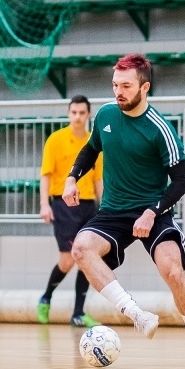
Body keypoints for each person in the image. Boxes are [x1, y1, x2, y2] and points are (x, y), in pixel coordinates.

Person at [62, 53, 185, 368]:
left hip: (153, 211)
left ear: (144, 88)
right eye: (115, 84)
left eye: (126, 86)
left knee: (173, 270)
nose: (119, 91)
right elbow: (91, 149)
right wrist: (72, 178)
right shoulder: (106, 115)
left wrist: (152, 211)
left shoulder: (160, 129)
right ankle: (136, 314)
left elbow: (182, 181)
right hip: (113, 211)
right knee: (80, 248)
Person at [38, 95, 104, 328]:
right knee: (67, 260)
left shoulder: (94, 143)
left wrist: (104, 207)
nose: (77, 117)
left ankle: (78, 313)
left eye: (82, 113)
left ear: (88, 115)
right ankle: (46, 297)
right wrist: (44, 204)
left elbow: (98, 179)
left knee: (88, 258)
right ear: (69, 114)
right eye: (73, 112)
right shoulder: (56, 140)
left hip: (88, 205)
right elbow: (45, 174)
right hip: (64, 205)